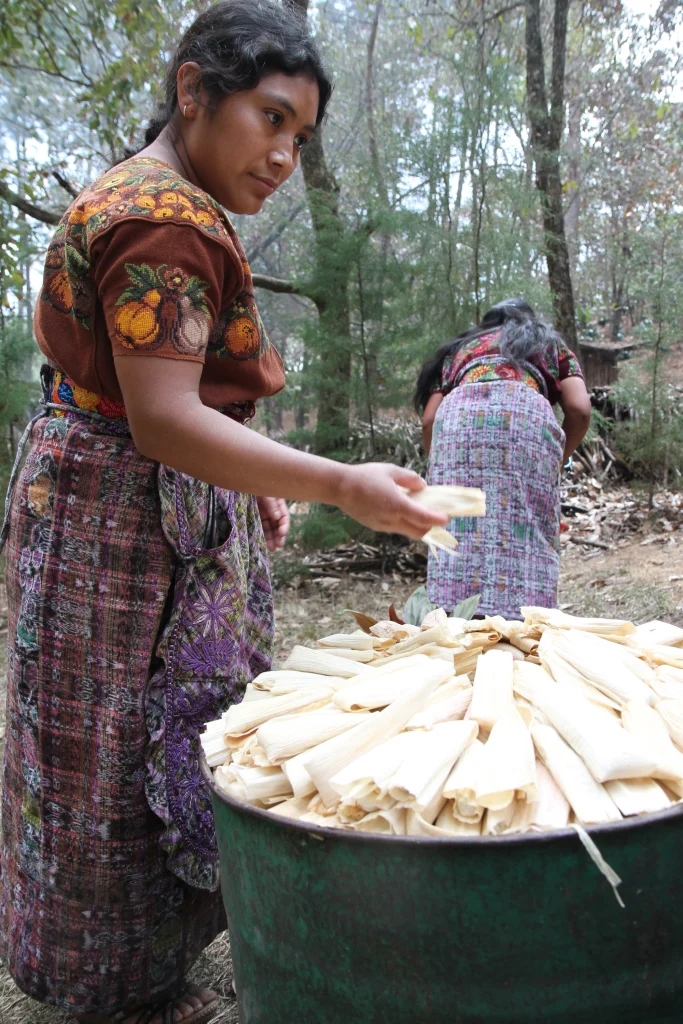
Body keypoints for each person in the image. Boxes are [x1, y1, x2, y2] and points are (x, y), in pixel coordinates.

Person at [0, 4, 448, 1023]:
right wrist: (330, 480)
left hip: (117, 492)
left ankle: (146, 956)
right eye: (270, 118)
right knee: (112, 738)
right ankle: (116, 987)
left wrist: (247, 481)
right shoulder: (161, 219)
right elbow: (159, 417)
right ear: (194, 90)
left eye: (301, 136)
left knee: (159, 724)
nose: (285, 154)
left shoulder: (157, 198)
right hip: (118, 518)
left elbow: (172, 396)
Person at [415, 298, 591, 620]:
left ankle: (452, 621)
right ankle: (526, 624)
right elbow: (579, 410)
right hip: (526, 420)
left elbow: (429, 421)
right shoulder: (547, 342)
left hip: (457, 423)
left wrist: (442, 469)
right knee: (528, 529)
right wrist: (554, 460)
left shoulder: (461, 348)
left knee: (456, 527)